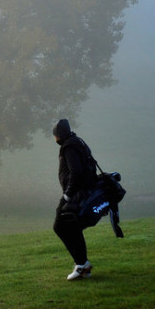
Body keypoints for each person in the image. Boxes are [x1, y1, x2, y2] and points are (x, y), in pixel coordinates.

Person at [51, 118, 97, 281]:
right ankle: (83, 266)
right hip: (82, 192)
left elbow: (76, 172)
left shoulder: (69, 147)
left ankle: (81, 264)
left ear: (59, 135)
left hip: (75, 194)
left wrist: (68, 194)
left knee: (60, 226)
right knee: (72, 227)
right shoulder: (77, 142)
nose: (55, 139)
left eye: (55, 135)